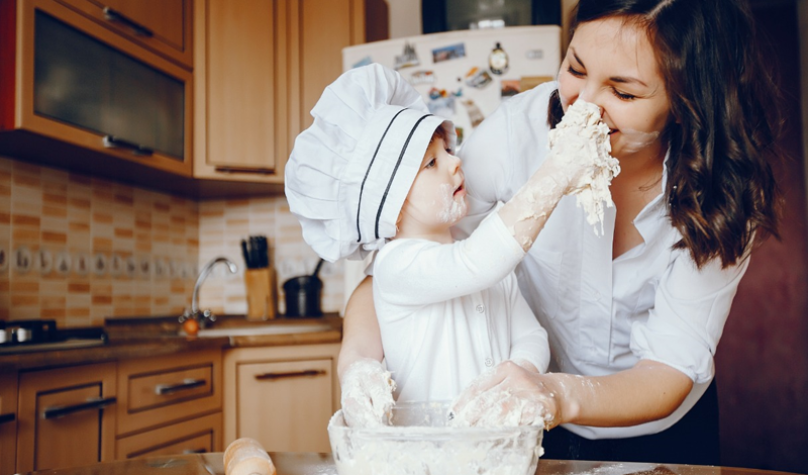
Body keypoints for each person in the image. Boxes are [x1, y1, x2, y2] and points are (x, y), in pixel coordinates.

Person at [337, 0, 782, 465]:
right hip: (528, 416)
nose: (582, 104)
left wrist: (557, 393)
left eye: (623, 92)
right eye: (575, 68)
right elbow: (409, 265)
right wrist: (358, 365)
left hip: (661, 426)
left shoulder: (724, 193)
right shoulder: (517, 133)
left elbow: (670, 367)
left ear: (686, 104)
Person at [285, 64, 615, 427]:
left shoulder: (486, 260)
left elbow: (531, 334)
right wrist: (557, 171)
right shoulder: (397, 265)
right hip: (427, 448)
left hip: (500, 446)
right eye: (431, 162)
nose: (456, 160)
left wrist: (516, 373)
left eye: (447, 149)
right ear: (391, 208)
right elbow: (476, 264)